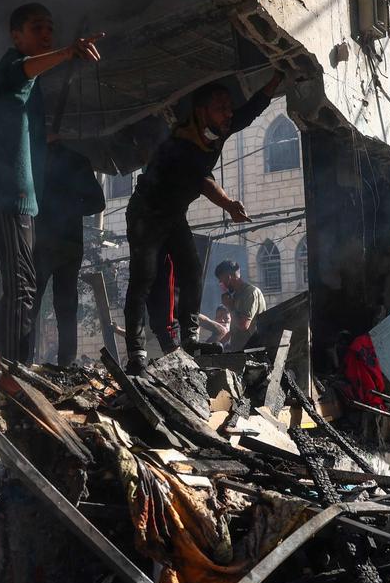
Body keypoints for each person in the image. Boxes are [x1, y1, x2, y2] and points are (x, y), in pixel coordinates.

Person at [120, 72, 284, 374]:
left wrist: (279, 76)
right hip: (147, 213)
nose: (228, 113)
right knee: (144, 278)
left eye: (228, 106)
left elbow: (250, 112)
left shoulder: (220, 126)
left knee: (192, 270)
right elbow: (204, 182)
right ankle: (136, 352)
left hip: (173, 214)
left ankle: (191, 339)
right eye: (220, 107)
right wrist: (230, 205)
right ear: (201, 112)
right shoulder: (180, 143)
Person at [0, 3, 103, 364]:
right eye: (37, 28)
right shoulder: (12, 67)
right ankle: (16, 371)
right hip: (6, 197)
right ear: (17, 35)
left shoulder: (29, 86)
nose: (46, 34)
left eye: (50, 28)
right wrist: (67, 52)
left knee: (24, 287)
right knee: (23, 289)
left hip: (25, 202)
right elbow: (27, 70)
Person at [33, 142, 105, 365]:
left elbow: (98, 203)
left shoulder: (45, 159)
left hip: (56, 243)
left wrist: (67, 208)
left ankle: (28, 358)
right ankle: (63, 361)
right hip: (59, 243)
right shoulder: (74, 160)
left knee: (36, 301)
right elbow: (96, 203)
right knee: (60, 303)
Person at [215, 259, 267, 351]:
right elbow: (236, 329)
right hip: (239, 350)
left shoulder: (250, 293)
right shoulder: (236, 295)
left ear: (229, 277)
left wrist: (230, 307)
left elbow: (243, 325)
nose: (221, 285)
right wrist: (219, 343)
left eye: (221, 281)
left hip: (251, 351)